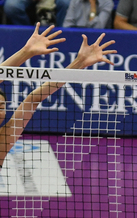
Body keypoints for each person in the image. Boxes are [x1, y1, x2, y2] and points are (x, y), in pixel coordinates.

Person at [0, 23, 117, 169]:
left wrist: (79, 63)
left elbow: (34, 98)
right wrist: (26, 52)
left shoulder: (3, 139)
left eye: (1, 107)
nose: (0, 112)